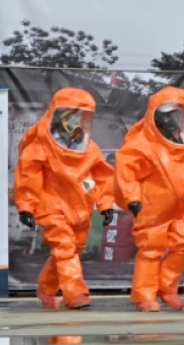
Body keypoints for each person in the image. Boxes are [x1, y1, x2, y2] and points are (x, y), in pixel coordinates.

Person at [115, 86, 184, 312]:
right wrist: (132, 197)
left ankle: (167, 287)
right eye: (166, 115)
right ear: (155, 116)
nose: (171, 121)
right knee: (151, 250)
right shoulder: (139, 146)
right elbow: (126, 171)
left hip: (180, 205)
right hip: (151, 206)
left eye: (175, 115)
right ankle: (144, 295)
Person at [15, 87, 115, 309]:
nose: (77, 120)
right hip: (51, 206)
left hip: (81, 206)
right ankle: (76, 294)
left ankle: (46, 288)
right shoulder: (39, 145)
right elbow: (28, 177)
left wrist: (105, 203)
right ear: (58, 114)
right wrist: (26, 206)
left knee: (73, 249)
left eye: (81, 115)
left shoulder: (89, 148)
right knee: (65, 247)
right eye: (71, 114)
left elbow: (101, 176)